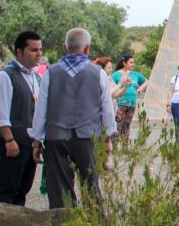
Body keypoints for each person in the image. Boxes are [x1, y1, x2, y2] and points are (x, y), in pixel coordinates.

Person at [29, 28, 118, 209]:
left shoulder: (50, 73)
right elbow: (107, 108)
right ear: (87, 49)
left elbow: (41, 110)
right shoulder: (98, 73)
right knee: (91, 185)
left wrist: (37, 140)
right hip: (87, 137)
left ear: (65, 47)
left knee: (60, 190)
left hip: (56, 138)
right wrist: (108, 135)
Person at [0, 31, 43, 205]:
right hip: (13, 141)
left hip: (31, 142)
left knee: (22, 189)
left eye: (40, 50)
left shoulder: (36, 77)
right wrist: (9, 139)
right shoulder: (5, 76)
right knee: (7, 189)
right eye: (34, 50)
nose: (39, 54)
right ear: (20, 52)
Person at [111, 56, 148, 141]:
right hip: (120, 104)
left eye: (133, 62)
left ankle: (125, 148)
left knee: (127, 126)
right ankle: (115, 148)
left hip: (132, 104)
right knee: (118, 125)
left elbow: (146, 81)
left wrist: (139, 90)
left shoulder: (135, 74)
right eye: (130, 62)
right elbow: (111, 87)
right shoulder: (116, 75)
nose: (133, 64)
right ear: (124, 63)